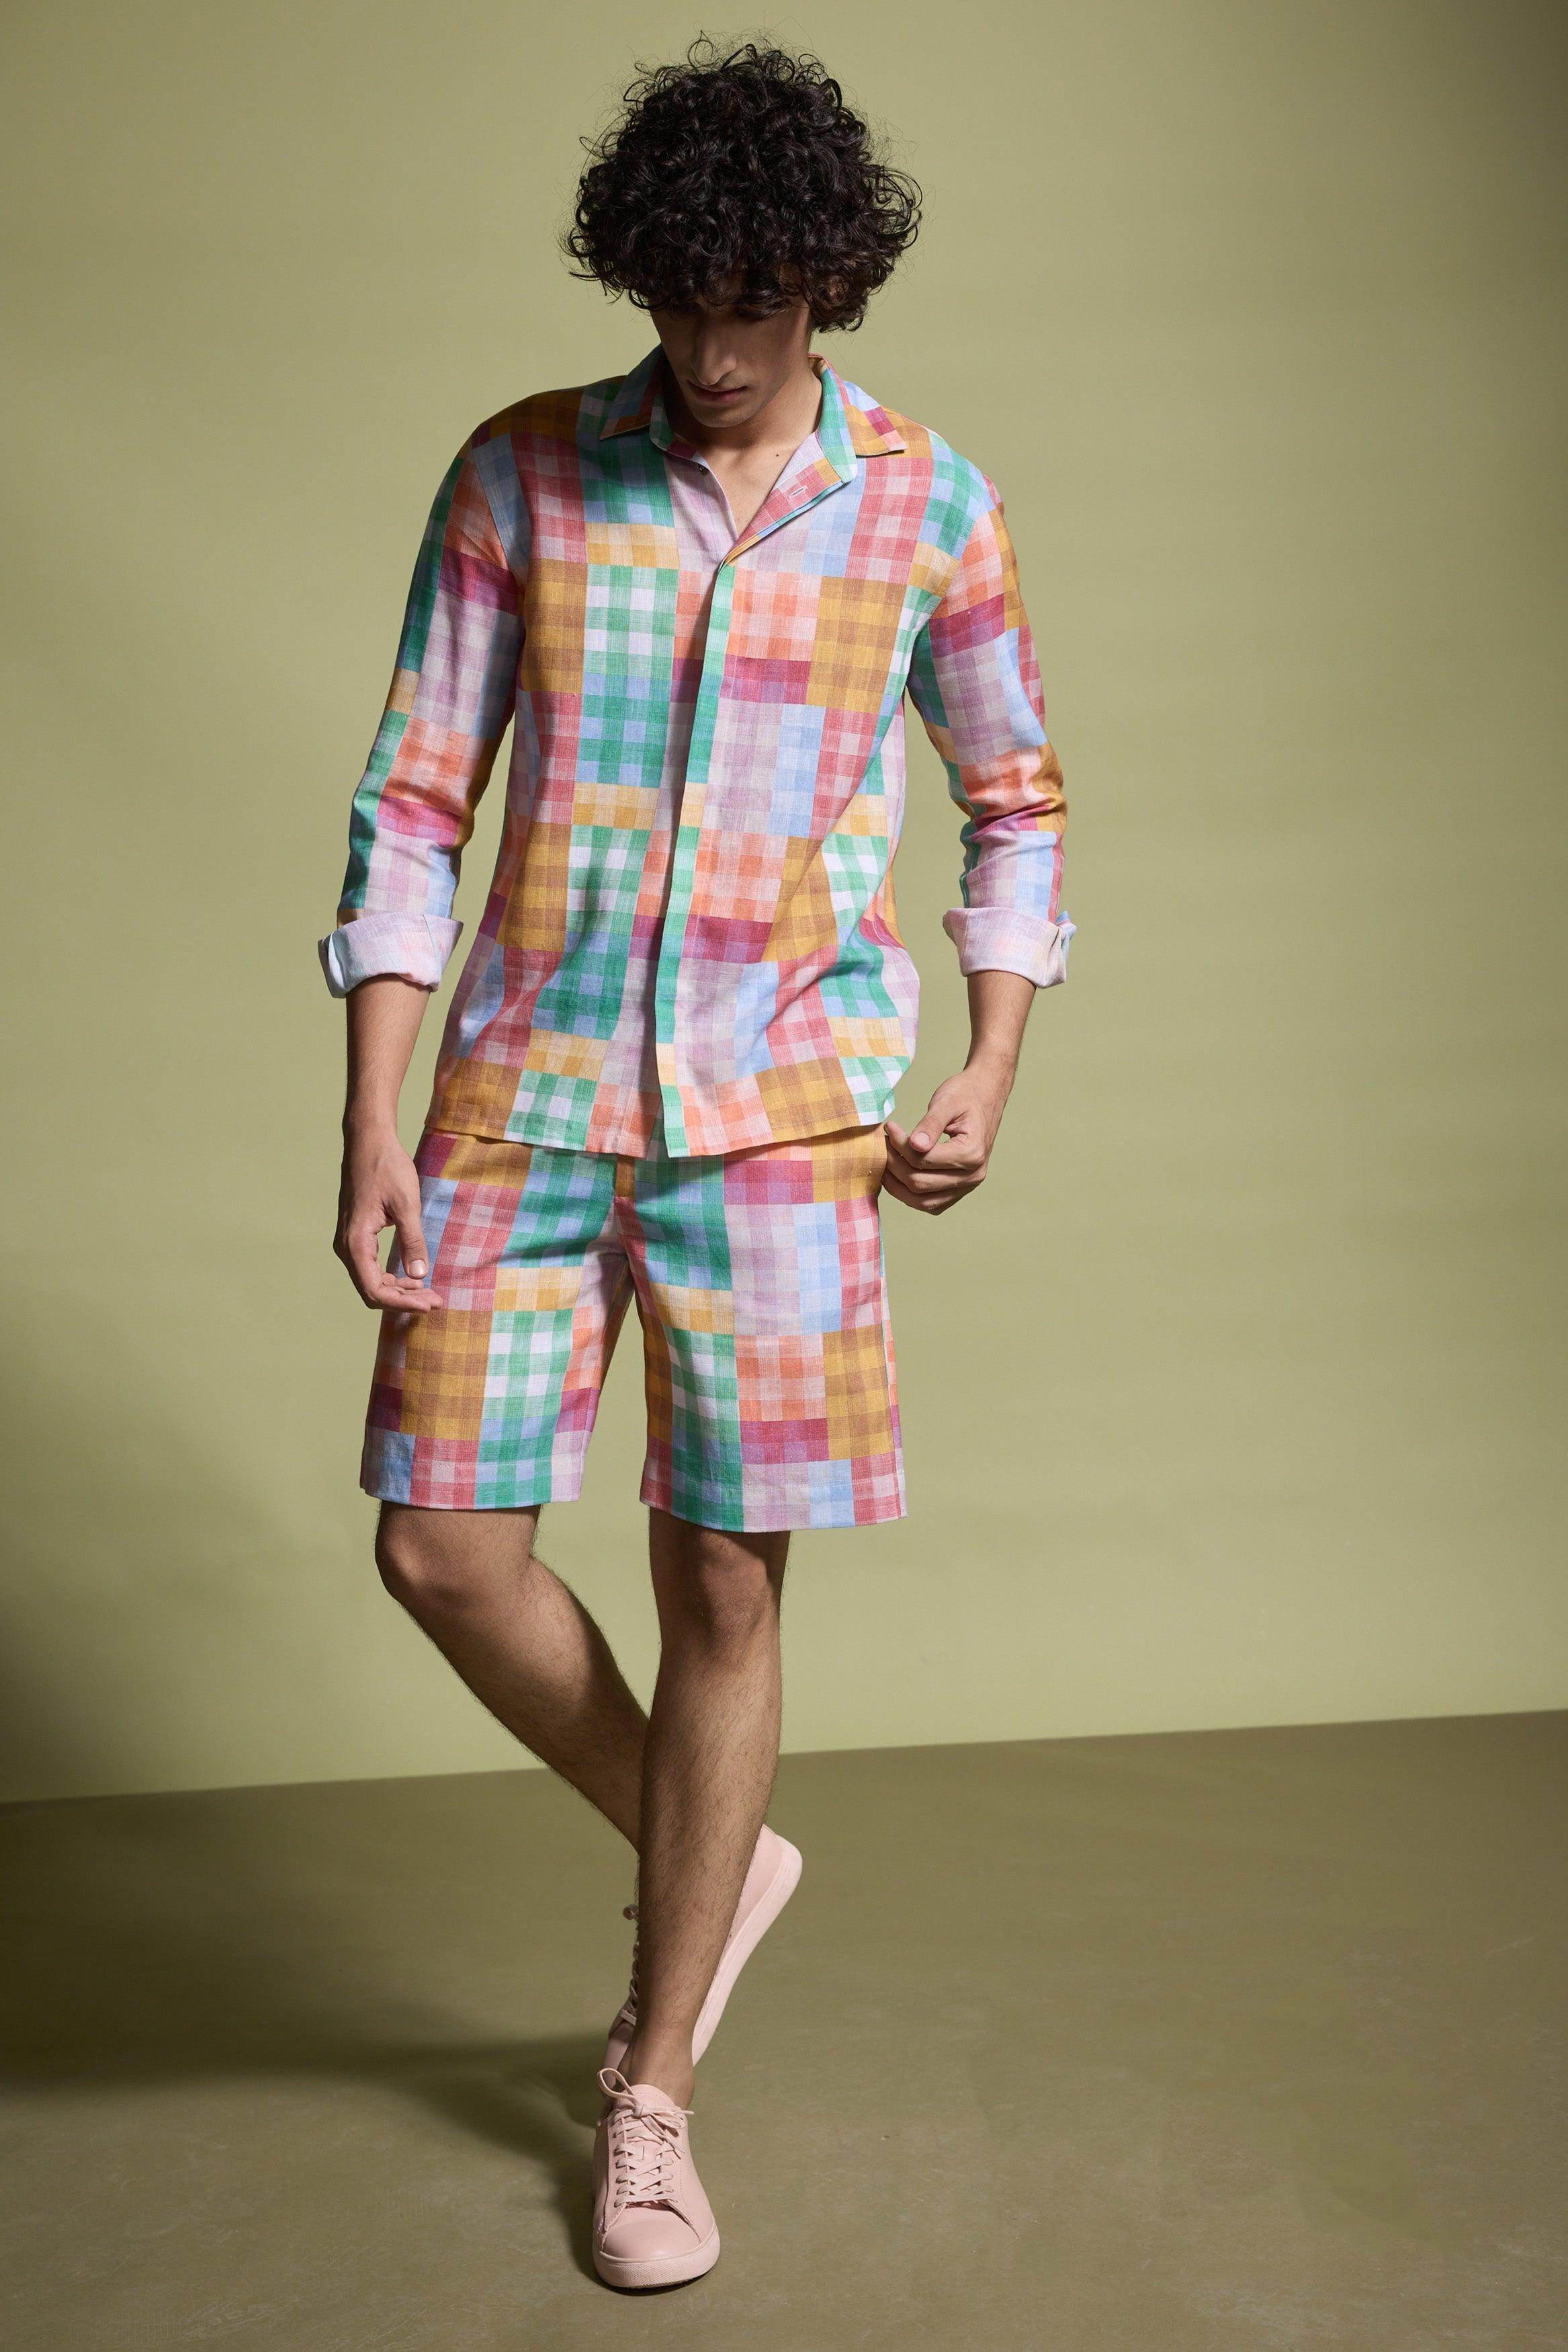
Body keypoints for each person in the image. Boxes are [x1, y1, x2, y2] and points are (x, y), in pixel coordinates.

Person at [319, 37, 1071, 2292]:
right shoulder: (526, 473)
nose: (715, 353)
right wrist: (372, 1108)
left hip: (785, 1116)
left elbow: (1018, 800)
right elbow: (416, 797)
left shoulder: (928, 504)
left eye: (754, 306)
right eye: (677, 305)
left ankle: (650, 2091)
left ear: (829, 280)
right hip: (521, 1093)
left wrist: (990, 1057)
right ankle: (713, 1854)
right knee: (441, 1545)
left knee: (725, 1587)